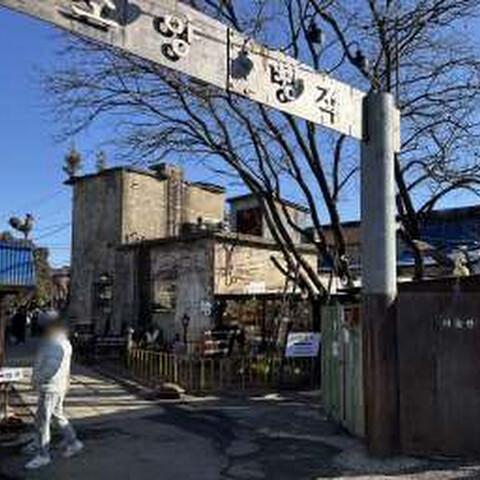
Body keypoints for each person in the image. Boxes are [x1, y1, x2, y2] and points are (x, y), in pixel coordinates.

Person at [24, 310, 83, 470]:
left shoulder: (55, 343)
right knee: (57, 416)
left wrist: (36, 380)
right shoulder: (61, 341)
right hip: (57, 386)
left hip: (50, 387)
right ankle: (73, 442)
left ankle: (43, 454)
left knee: (42, 421)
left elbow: (51, 368)